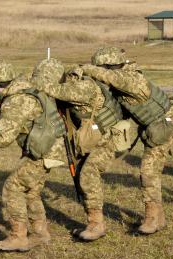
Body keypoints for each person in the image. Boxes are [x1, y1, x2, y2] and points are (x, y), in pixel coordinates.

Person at [0, 58, 67, 252]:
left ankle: (18, 237)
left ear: (1, 84)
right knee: (31, 191)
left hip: (44, 151)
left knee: (13, 187)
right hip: (50, 149)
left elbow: (3, 139)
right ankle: (40, 234)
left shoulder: (15, 101)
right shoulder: (21, 92)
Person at [82, 47, 173, 235]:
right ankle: (158, 218)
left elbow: (111, 78)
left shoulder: (131, 79)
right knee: (150, 171)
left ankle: (152, 218)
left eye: (101, 70)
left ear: (110, 67)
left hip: (169, 122)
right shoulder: (122, 81)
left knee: (148, 171)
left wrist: (85, 69)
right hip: (154, 126)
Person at [33, 65, 126, 241]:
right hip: (90, 138)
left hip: (106, 139)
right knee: (81, 175)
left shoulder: (84, 86)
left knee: (88, 174)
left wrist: (36, 83)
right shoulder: (71, 85)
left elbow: (58, 91)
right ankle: (91, 222)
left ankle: (96, 225)